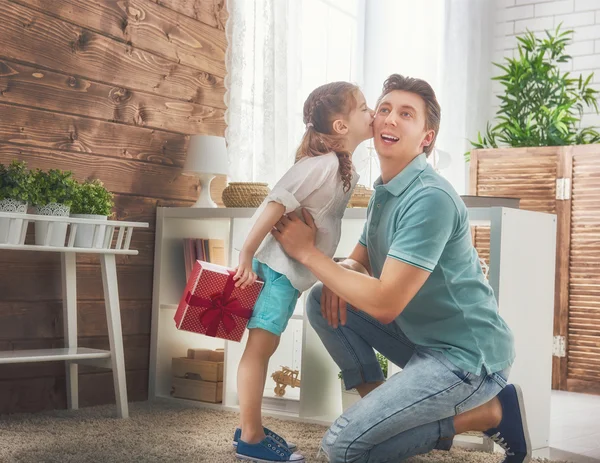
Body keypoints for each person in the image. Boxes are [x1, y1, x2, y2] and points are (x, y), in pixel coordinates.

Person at [271, 74, 531, 463]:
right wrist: (344, 268)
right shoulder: (386, 190)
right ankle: (382, 411)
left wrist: (308, 253)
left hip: (467, 359)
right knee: (323, 296)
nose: (390, 119)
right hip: (421, 341)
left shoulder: (429, 198)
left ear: (426, 137)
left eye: (406, 114)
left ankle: (490, 411)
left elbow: (386, 303)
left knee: (342, 447)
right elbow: (358, 260)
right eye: (385, 109)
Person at [232, 81, 375, 463]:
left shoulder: (341, 169)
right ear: (342, 126)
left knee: (265, 346)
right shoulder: (323, 165)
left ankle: (248, 427)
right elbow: (275, 201)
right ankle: (250, 436)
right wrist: (245, 254)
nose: (372, 112)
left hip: (288, 274)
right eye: (364, 107)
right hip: (278, 272)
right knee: (260, 349)